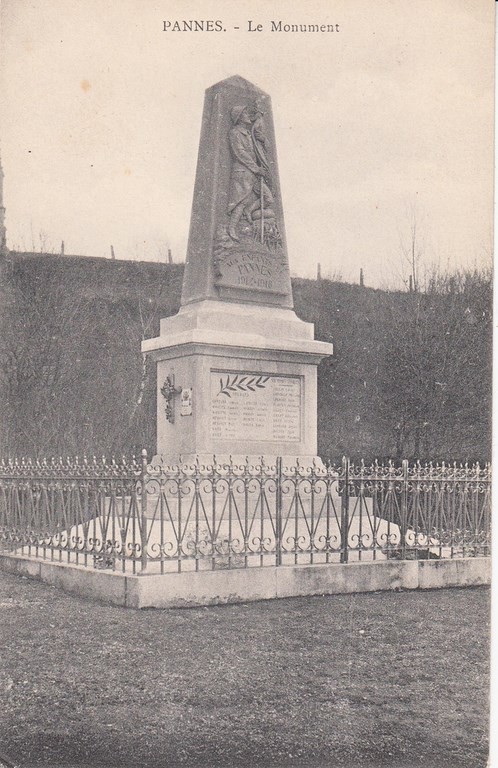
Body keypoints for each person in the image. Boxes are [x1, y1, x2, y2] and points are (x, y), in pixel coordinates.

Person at [227, 104, 273, 241]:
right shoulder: (234, 132)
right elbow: (239, 153)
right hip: (242, 172)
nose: (249, 116)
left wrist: (263, 139)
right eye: (246, 114)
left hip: (254, 173)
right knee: (240, 201)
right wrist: (256, 168)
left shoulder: (250, 134)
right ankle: (231, 229)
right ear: (239, 118)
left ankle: (249, 211)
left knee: (268, 198)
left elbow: (262, 150)